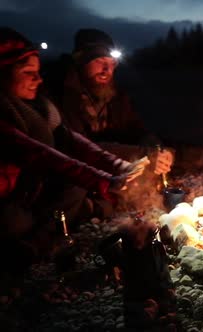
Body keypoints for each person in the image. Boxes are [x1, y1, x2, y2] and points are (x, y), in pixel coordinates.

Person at [0, 27, 148, 293]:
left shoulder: (40, 106)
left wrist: (121, 166)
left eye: (111, 64)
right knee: (15, 222)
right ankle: (32, 248)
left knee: (73, 188)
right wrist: (105, 180)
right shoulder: (14, 110)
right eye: (27, 73)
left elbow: (73, 141)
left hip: (32, 187)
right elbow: (43, 155)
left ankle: (44, 236)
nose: (38, 80)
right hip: (9, 196)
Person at [47, 28, 174, 213]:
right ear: (80, 61)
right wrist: (142, 155)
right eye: (99, 61)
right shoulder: (60, 95)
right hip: (72, 174)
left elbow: (137, 130)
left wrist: (156, 148)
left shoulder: (116, 97)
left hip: (111, 171)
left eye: (112, 63)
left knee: (148, 172)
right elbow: (79, 148)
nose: (107, 69)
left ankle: (104, 206)